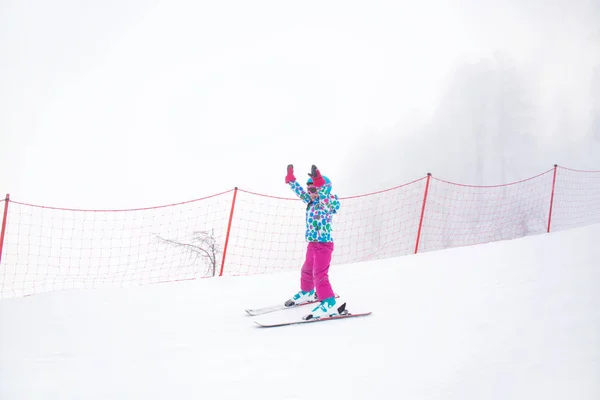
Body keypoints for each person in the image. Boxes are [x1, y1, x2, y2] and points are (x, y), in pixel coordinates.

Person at [284, 164, 346, 319]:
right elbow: (300, 192)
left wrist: (320, 184)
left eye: (313, 190)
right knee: (306, 270)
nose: (310, 193)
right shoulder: (312, 201)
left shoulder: (329, 202)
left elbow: (326, 200)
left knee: (320, 274)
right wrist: (292, 181)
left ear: (322, 189)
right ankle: (307, 292)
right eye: (309, 190)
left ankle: (328, 302)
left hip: (324, 245)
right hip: (312, 243)